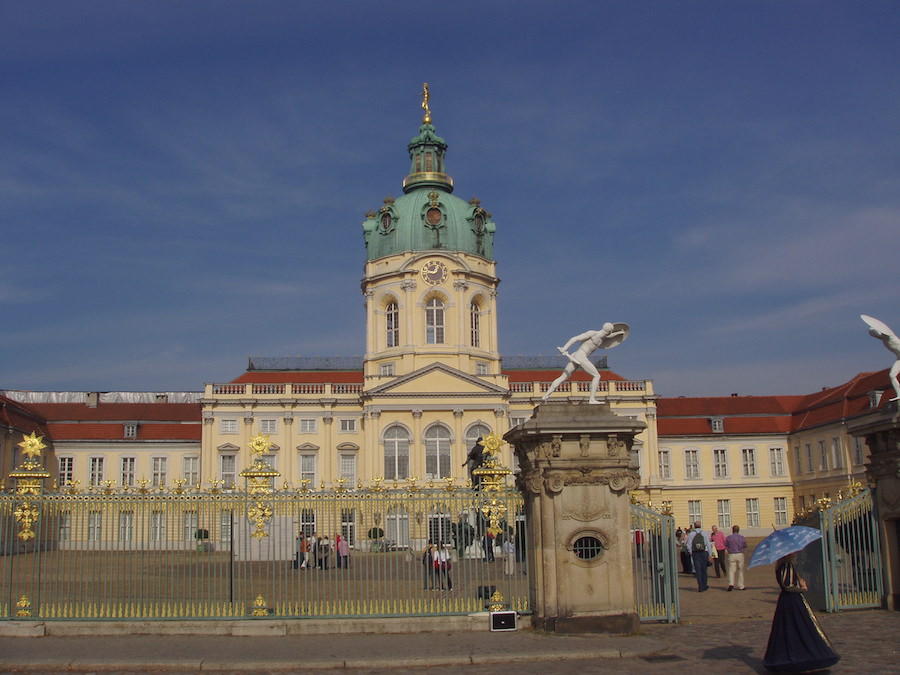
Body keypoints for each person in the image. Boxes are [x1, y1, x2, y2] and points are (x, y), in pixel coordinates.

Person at [763, 553, 840, 672]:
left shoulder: (783, 565)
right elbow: (787, 585)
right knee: (800, 627)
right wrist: (802, 588)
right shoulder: (786, 565)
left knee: (791, 628)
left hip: (788, 600)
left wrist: (799, 579)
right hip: (791, 600)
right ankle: (804, 656)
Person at [541, 323, 629, 404]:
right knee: (597, 376)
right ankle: (592, 399)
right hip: (581, 356)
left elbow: (610, 337)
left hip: (576, 356)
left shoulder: (602, 338)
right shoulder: (592, 333)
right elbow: (575, 338)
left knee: (563, 377)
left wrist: (619, 332)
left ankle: (546, 395)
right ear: (608, 331)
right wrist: (565, 347)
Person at [862, 314, 900, 401]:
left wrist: (876, 326)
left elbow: (885, 331)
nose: (874, 335)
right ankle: (899, 394)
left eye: (874, 333)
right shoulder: (883, 338)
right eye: (872, 335)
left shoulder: (889, 336)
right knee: (892, 375)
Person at [685, 521, 710, 592]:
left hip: (695, 553)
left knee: (698, 570)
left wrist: (690, 552)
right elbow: (708, 544)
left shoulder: (691, 534)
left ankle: (700, 586)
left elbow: (689, 545)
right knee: (704, 570)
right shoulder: (704, 533)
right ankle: (705, 585)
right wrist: (710, 554)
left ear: (694, 526)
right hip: (704, 552)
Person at [725, 524, 747, 591]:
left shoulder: (729, 538)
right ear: (738, 530)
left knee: (731, 570)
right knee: (740, 570)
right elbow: (745, 545)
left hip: (732, 554)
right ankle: (741, 585)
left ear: (732, 530)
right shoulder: (742, 537)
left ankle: (731, 584)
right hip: (740, 554)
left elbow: (726, 545)